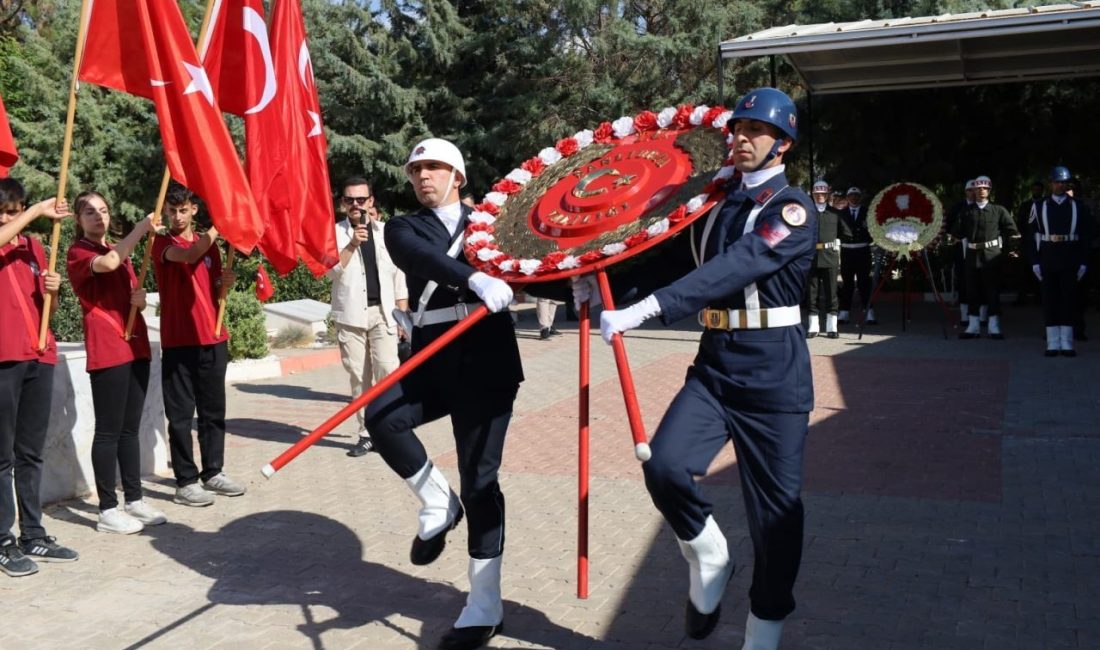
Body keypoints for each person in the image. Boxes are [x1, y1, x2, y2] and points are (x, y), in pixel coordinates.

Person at [579, 87, 816, 649]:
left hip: (774, 373)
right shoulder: (717, 201)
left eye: (756, 131)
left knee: (776, 517)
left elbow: (739, 265)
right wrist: (604, 282)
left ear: (782, 143)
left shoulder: (793, 208)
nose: (740, 138)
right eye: (738, 128)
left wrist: (648, 309)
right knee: (664, 465)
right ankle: (708, 553)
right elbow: (671, 254)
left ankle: (762, 632)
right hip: (716, 363)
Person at [366, 138, 521, 650]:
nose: (422, 177)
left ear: (458, 174)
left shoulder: (495, 222)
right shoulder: (404, 227)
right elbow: (420, 258)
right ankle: (437, 502)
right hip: (433, 355)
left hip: (487, 359)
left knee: (481, 480)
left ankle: (483, 606)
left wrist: (577, 287)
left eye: (433, 167)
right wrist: (474, 276)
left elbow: (535, 267)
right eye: (415, 170)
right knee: (382, 416)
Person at [67, 191, 167, 534]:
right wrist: (141, 228)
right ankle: (107, 509)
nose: (99, 216)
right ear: (78, 221)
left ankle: (134, 499)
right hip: (108, 348)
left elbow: (123, 284)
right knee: (109, 430)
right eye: (90, 212)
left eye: (104, 210)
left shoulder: (117, 252)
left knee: (129, 428)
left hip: (135, 344)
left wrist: (138, 300)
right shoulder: (80, 252)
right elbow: (109, 264)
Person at [0, 178, 79, 576]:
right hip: (3, 358)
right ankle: (2, 540)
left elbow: (45, 301)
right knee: (1, 457)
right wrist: (33, 213)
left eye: (14, 210)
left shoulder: (33, 247)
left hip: (38, 352)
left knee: (30, 453)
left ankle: (33, 533)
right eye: (4, 212)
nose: (9, 218)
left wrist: (54, 289)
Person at [152, 182, 244, 506]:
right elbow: (190, 255)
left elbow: (215, 287)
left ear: (194, 210)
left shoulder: (212, 247)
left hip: (212, 336)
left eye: (183, 210)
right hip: (179, 340)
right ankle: (186, 481)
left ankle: (213, 472)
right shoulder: (161, 242)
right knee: (180, 415)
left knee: (212, 411)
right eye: (172, 210)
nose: (177, 216)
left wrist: (225, 285)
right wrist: (224, 223)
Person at [327, 177, 409, 458]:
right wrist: (351, 244)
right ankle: (365, 434)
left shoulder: (387, 232)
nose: (356, 205)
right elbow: (330, 271)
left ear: (371, 202)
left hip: (384, 313)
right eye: (350, 200)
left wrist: (402, 312)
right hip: (351, 316)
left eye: (361, 200)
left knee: (389, 371)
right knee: (359, 378)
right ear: (342, 204)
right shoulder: (333, 234)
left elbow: (399, 273)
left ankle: (391, 428)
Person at [1027, 166, 1092, 356]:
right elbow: (1031, 237)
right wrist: (1034, 262)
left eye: (1063, 182)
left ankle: (1067, 342)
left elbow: (1086, 237)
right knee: (1050, 300)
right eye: (1057, 182)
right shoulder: (1039, 206)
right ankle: (1053, 342)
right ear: (1050, 183)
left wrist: (1084, 262)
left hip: (1070, 256)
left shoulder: (1078, 206)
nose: (1060, 185)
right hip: (1048, 256)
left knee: (1069, 300)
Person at [950, 175, 1019, 339]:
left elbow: (1012, 232)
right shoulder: (966, 211)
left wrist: (1010, 250)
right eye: (978, 188)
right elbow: (956, 233)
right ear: (973, 190)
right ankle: (973, 326)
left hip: (991, 255)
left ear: (989, 190)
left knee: (992, 290)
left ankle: (993, 326)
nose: (981, 191)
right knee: (972, 290)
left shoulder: (998, 210)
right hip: (972, 255)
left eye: (985, 188)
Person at [806, 180, 848, 339]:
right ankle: (813, 326)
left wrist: (836, 243)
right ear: (813, 194)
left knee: (832, 292)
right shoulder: (806, 212)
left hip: (829, 256)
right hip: (811, 257)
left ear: (827, 194)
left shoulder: (835, 214)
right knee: (812, 293)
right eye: (817, 194)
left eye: (823, 194)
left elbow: (844, 232)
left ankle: (832, 327)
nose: (820, 197)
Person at [839, 186, 875, 324]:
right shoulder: (841, 214)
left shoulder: (868, 213)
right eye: (851, 195)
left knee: (864, 283)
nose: (854, 198)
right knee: (847, 283)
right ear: (847, 198)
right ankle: (844, 313)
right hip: (847, 250)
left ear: (860, 197)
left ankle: (869, 313)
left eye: (856, 195)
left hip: (862, 250)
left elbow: (873, 231)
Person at [945, 180, 977, 322]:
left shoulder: (983, 207)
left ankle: (980, 314)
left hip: (979, 248)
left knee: (979, 280)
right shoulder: (957, 207)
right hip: (961, 247)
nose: (973, 193)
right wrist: (953, 238)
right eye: (970, 190)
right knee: (963, 280)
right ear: (966, 191)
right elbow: (948, 227)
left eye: (975, 190)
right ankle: (965, 314)